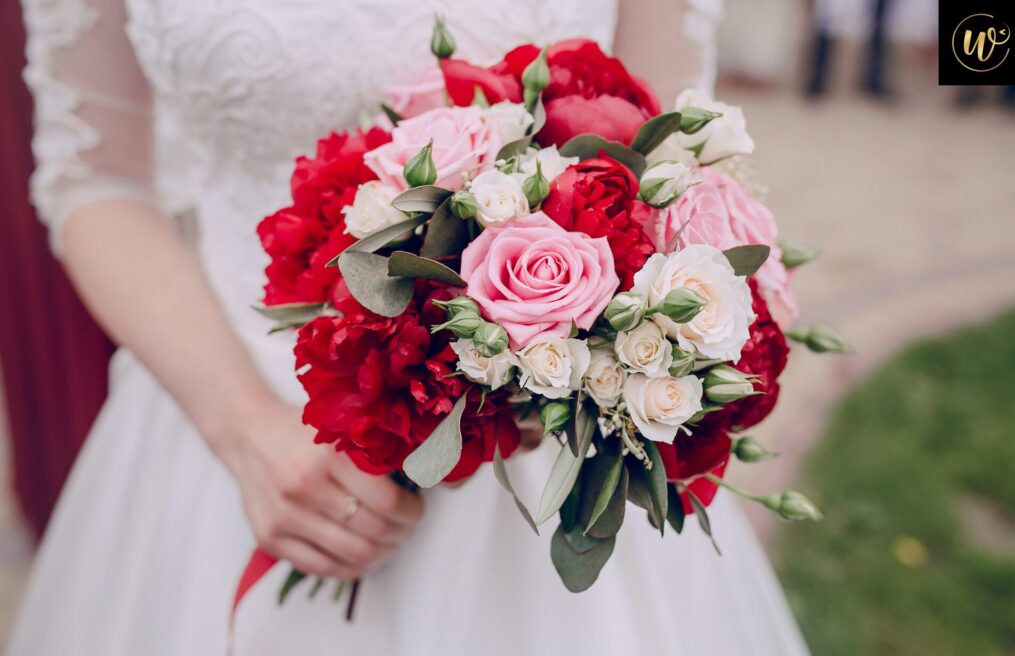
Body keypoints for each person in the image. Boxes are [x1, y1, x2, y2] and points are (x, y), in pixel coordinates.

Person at [11, 1, 809, 654]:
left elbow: (668, 173)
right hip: (216, 421)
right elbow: (95, 178)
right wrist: (246, 435)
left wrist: (554, 368)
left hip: (530, 456)